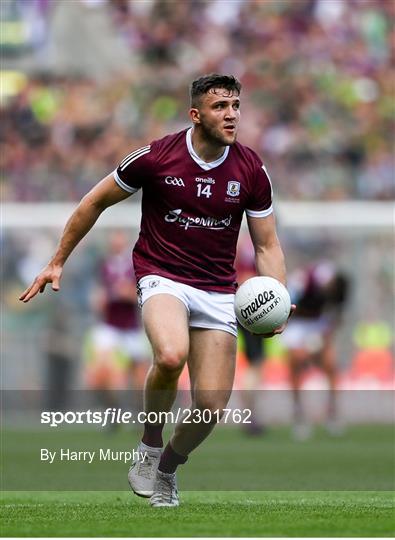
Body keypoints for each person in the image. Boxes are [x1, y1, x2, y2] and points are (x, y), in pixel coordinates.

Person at [20, 74, 294, 507]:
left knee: (210, 408)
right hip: (161, 274)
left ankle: (167, 467)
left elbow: (266, 244)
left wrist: (275, 295)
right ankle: (148, 444)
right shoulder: (156, 157)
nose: (231, 115)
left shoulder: (252, 169)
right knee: (169, 355)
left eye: (236, 106)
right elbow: (93, 201)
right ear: (196, 114)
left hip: (219, 289)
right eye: (220, 106)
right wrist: (57, 260)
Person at [281, 261, 349, 440]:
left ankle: (332, 413)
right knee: (296, 364)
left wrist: (323, 338)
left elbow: (336, 316)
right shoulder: (302, 283)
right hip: (297, 324)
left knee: (331, 365)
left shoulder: (339, 288)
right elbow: (287, 307)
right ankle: (299, 415)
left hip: (318, 324)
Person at [85, 230, 150, 413]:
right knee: (100, 373)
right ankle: (112, 410)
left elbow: (143, 294)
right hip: (109, 326)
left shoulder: (135, 265)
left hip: (131, 327)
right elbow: (97, 293)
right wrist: (98, 299)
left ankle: (141, 413)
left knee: (140, 376)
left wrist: (128, 294)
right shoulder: (103, 265)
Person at [235, 233, 266, 435]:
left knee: (254, 364)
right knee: (255, 365)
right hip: (249, 306)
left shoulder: (245, 244)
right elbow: (245, 277)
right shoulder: (252, 246)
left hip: (238, 303)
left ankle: (250, 415)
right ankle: (249, 416)